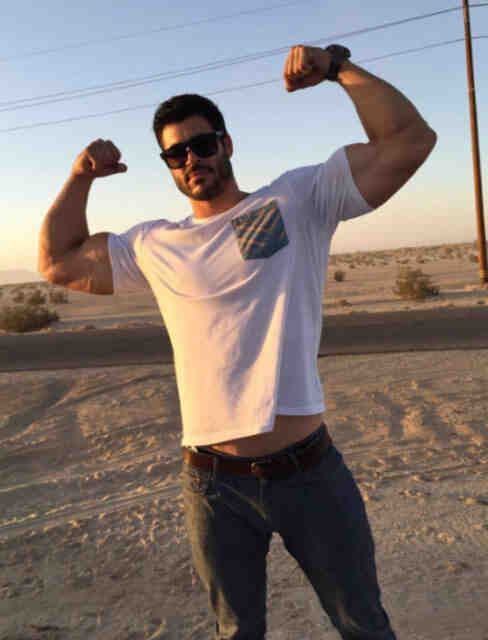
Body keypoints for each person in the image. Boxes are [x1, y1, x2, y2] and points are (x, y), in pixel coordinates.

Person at [39, 44, 436, 639]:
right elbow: (56, 262)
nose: (191, 159)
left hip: (310, 473)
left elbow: (410, 141)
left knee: (364, 625)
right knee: (237, 633)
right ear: (168, 165)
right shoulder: (154, 244)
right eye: (176, 153)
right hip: (212, 485)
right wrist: (79, 178)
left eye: (202, 144)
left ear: (226, 144)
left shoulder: (296, 201)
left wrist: (338, 69)